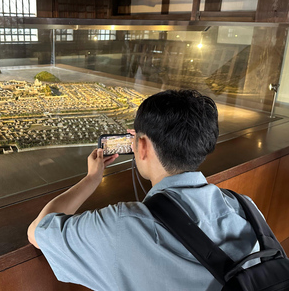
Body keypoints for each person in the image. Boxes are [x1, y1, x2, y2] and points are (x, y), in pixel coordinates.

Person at [27, 90, 259, 291]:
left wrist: (91, 179)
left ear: (143, 146)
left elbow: (38, 230)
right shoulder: (245, 207)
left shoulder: (122, 225)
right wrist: (143, 140)